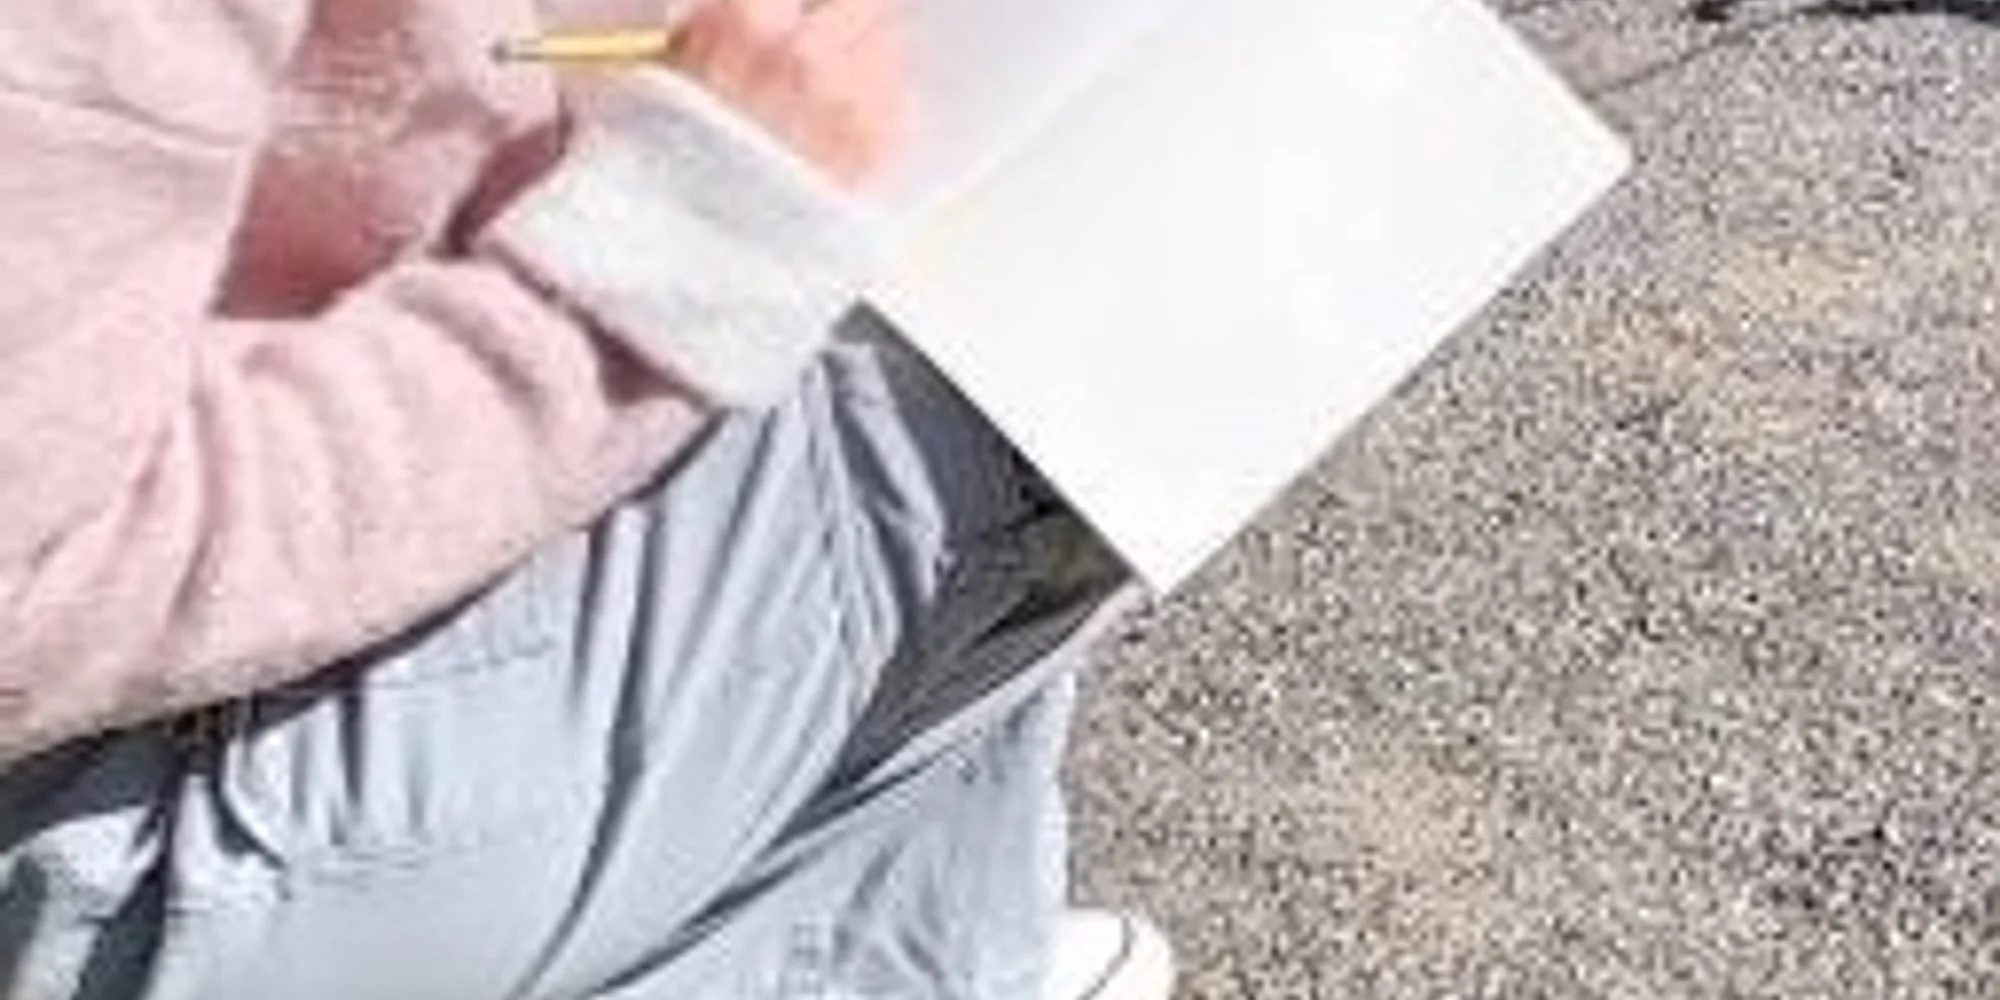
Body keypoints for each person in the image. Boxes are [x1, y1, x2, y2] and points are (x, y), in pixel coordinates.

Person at [0, 0, 1176, 997]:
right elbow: (38, 583)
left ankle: (892, 952)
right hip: (122, 832)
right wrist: (690, 237)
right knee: (989, 335)